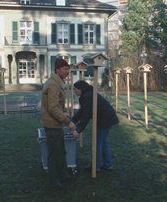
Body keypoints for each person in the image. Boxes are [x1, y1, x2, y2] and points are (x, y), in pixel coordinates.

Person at [41, 58, 77, 190]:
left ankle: (63, 175)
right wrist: (68, 122)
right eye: (65, 69)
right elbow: (53, 108)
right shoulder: (53, 85)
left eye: (68, 69)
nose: (67, 72)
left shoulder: (57, 83)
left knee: (61, 152)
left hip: (55, 124)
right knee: (55, 155)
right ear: (57, 70)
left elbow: (57, 107)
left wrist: (64, 112)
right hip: (51, 125)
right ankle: (54, 183)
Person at [71, 80, 119, 172]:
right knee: (103, 141)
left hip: (104, 119)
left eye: (75, 89)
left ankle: (95, 167)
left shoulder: (88, 96)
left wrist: (78, 130)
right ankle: (107, 164)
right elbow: (82, 111)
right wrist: (72, 121)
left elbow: (86, 115)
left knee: (97, 142)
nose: (74, 91)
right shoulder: (87, 95)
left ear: (81, 89)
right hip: (106, 118)